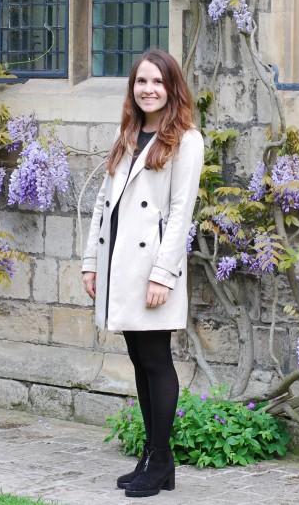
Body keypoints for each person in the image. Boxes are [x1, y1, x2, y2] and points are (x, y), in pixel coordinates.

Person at [81, 49, 204, 498]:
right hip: (118, 264)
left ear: (172, 87)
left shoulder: (187, 140)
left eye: (157, 82)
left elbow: (179, 214)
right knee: (138, 358)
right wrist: (90, 262)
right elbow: (103, 202)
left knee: (156, 359)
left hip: (150, 267)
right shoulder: (129, 131)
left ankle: (161, 459)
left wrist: (163, 276)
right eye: (140, 82)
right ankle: (153, 458)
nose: (148, 89)